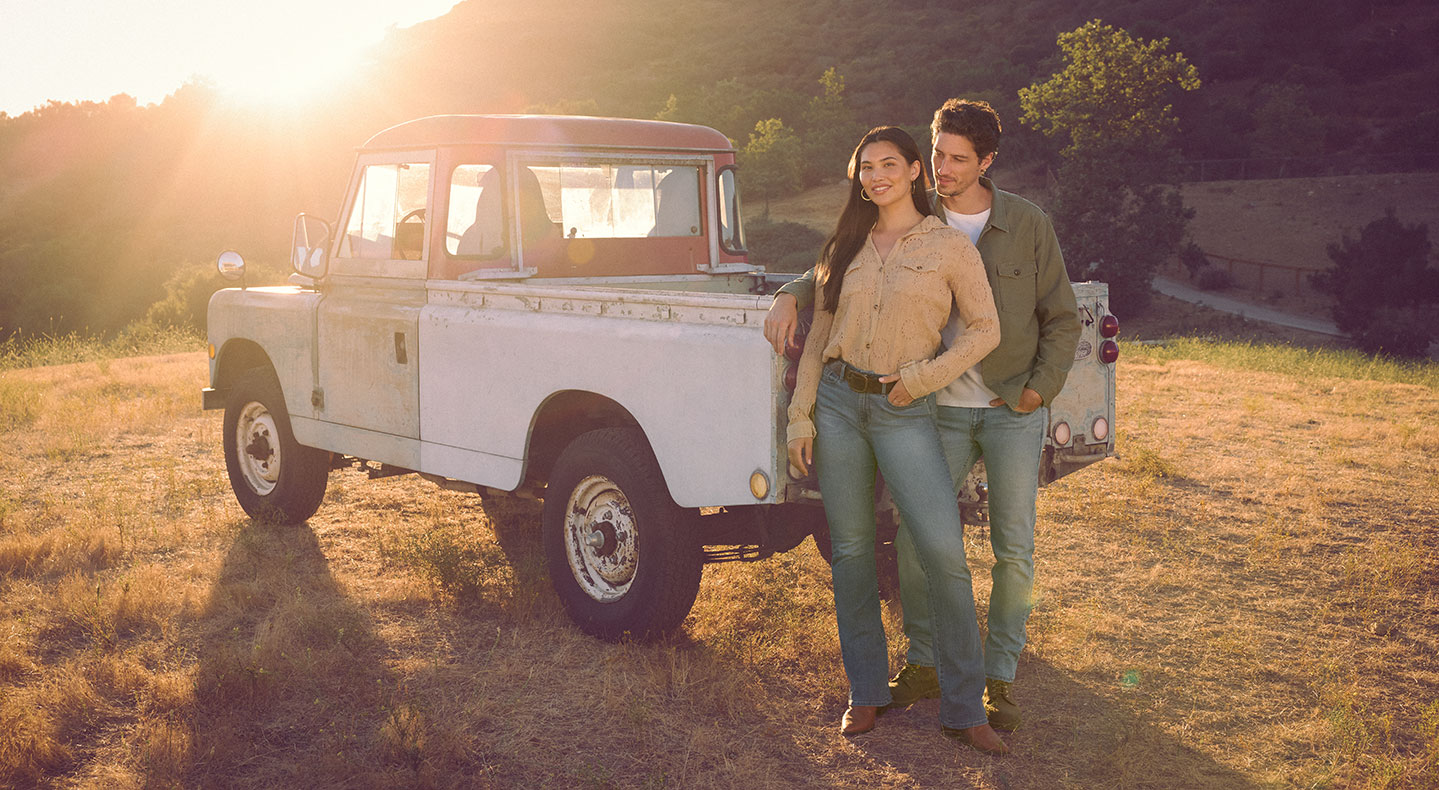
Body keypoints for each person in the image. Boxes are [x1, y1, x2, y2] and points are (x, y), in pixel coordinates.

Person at [768, 99, 1080, 733]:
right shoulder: (865, 231)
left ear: (984, 162)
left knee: (974, 549)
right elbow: (825, 311)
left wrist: (1027, 390)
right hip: (864, 405)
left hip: (954, 407)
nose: (943, 168)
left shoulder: (1001, 228)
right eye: (938, 154)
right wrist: (789, 305)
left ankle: (982, 693)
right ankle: (880, 684)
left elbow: (1028, 320)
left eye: (955, 158)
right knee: (865, 549)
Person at [784, 125, 1008, 754]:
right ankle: (865, 692)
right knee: (852, 550)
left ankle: (965, 708)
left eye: (889, 164)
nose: (876, 176)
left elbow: (985, 329)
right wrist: (801, 415)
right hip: (838, 405)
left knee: (943, 553)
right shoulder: (846, 244)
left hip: (904, 409)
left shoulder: (947, 246)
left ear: (915, 170)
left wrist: (921, 378)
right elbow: (821, 332)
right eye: (866, 166)